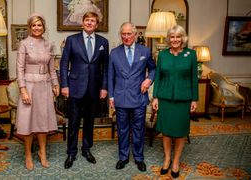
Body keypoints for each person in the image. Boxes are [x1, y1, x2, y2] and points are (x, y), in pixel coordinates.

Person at [60, 11, 109, 169]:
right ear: (82, 23)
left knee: (89, 122)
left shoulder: (103, 42)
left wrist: (104, 87)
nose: (89, 23)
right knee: (73, 121)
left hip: (94, 89)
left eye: (92, 21)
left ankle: (86, 149)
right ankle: (71, 152)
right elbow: (63, 64)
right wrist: (64, 85)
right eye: (87, 20)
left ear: (96, 24)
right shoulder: (71, 40)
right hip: (75, 88)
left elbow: (106, 67)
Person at [108, 22, 156, 172]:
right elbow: (110, 76)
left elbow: (154, 69)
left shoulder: (145, 51)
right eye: (124, 34)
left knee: (138, 129)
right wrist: (110, 96)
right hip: (121, 97)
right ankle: (123, 157)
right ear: (121, 35)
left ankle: (139, 157)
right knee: (122, 129)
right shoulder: (114, 53)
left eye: (129, 34)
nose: (126, 37)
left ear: (135, 35)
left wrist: (149, 80)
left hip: (139, 97)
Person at [152, 25, 198, 178]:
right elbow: (158, 77)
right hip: (165, 98)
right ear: (168, 39)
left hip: (183, 99)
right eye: (172, 37)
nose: (175, 39)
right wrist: (156, 97)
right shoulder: (162, 55)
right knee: (166, 131)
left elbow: (194, 78)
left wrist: (194, 99)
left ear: (183, 38)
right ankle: (167, 159)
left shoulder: (191, 54)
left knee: (179, 132)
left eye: (178, 36)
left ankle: (176, 161)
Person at [16, 13, 60, 170]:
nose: (37, 28)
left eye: (39, 25)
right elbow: (19, 69)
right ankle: (28, 154)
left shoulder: (49, 45)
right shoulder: (24, 44)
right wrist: (23, 90)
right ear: (30, 27)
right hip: (29, 86)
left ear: (43, 27)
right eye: (34, 25)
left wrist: (56, 84)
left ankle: (42, 152)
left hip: (44, 86)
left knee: (42, 121)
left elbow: (52, 69)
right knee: (27, 122)